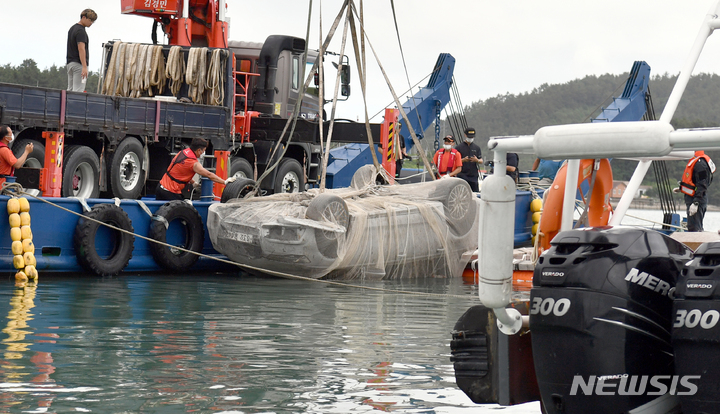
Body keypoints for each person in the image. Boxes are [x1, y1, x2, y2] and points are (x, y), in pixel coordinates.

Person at [156, 138, 233, 200]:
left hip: (160, 187)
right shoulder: (193, 162)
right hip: (170, 192)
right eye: (203, 151)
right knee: (185, 213)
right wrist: (224, 181)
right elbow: (209, 174)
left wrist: (193, 183)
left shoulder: (183, 152)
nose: (203, 153)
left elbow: (180, 172)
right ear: (199, 150)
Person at [676, 150, 715, 232]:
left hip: (696, 199)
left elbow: (702, 184)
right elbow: (693, 180)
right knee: (692, 227)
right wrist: (681, 188)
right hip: (692, 198)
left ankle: (697, 243)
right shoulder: (696, 161)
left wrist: (696, 202)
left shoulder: (700, 164)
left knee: (695, 228)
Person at [67, 9, 97, 92]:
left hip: (70, 63)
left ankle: (66, 105)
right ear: (84, 17)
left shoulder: (72, 29)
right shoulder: (81, 31)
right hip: (79, 65)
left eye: (93, 21)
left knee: (70, 90)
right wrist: (84, 66)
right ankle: (75, 105)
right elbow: (81, 48)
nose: (91, 23)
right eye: (90, 20)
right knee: (78, 91)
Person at [455, 127, 483, 192]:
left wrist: (477, 160)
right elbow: (454, 161)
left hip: (473, 175)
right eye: (469, 137)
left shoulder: (477, 148)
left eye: (472, 137)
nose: (471, 138)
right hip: (462, 174)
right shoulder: (459, 147)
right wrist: (463, 160)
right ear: (465, 135)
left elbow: (481, 161)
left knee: (474, 193)